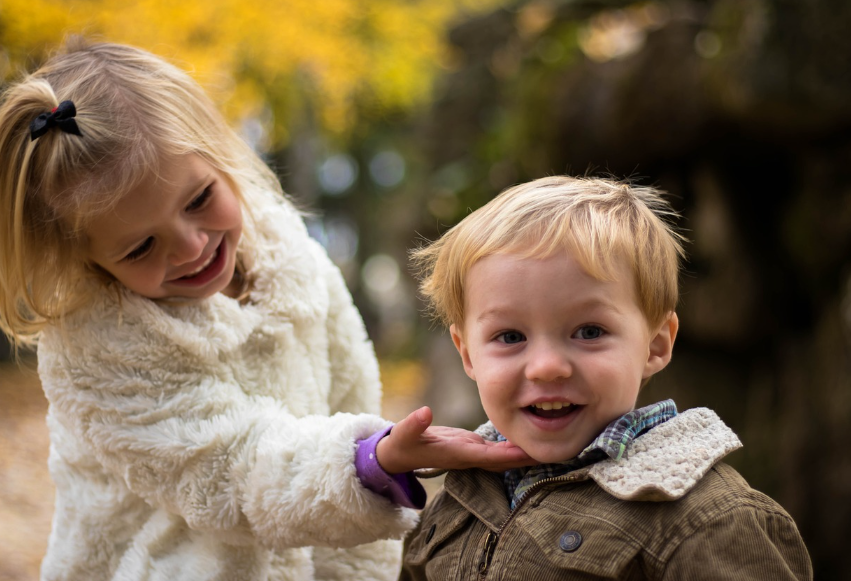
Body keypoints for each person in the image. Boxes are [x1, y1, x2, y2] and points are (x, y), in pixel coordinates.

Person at [0, 40, 532, 581]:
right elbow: (230, 472)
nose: (190, 247)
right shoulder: (98, 348)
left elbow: (349, 386)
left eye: (199, 199)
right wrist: (371, 461)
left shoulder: (286, 255)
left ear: (218, 152)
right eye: (140, 248)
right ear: (85, 258)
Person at [400, 176, 813, 580]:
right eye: (510, 337)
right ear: (468, 355)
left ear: (654, 345)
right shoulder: (457, 498)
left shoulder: (708, 521)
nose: (546, 367)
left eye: (589, 332)